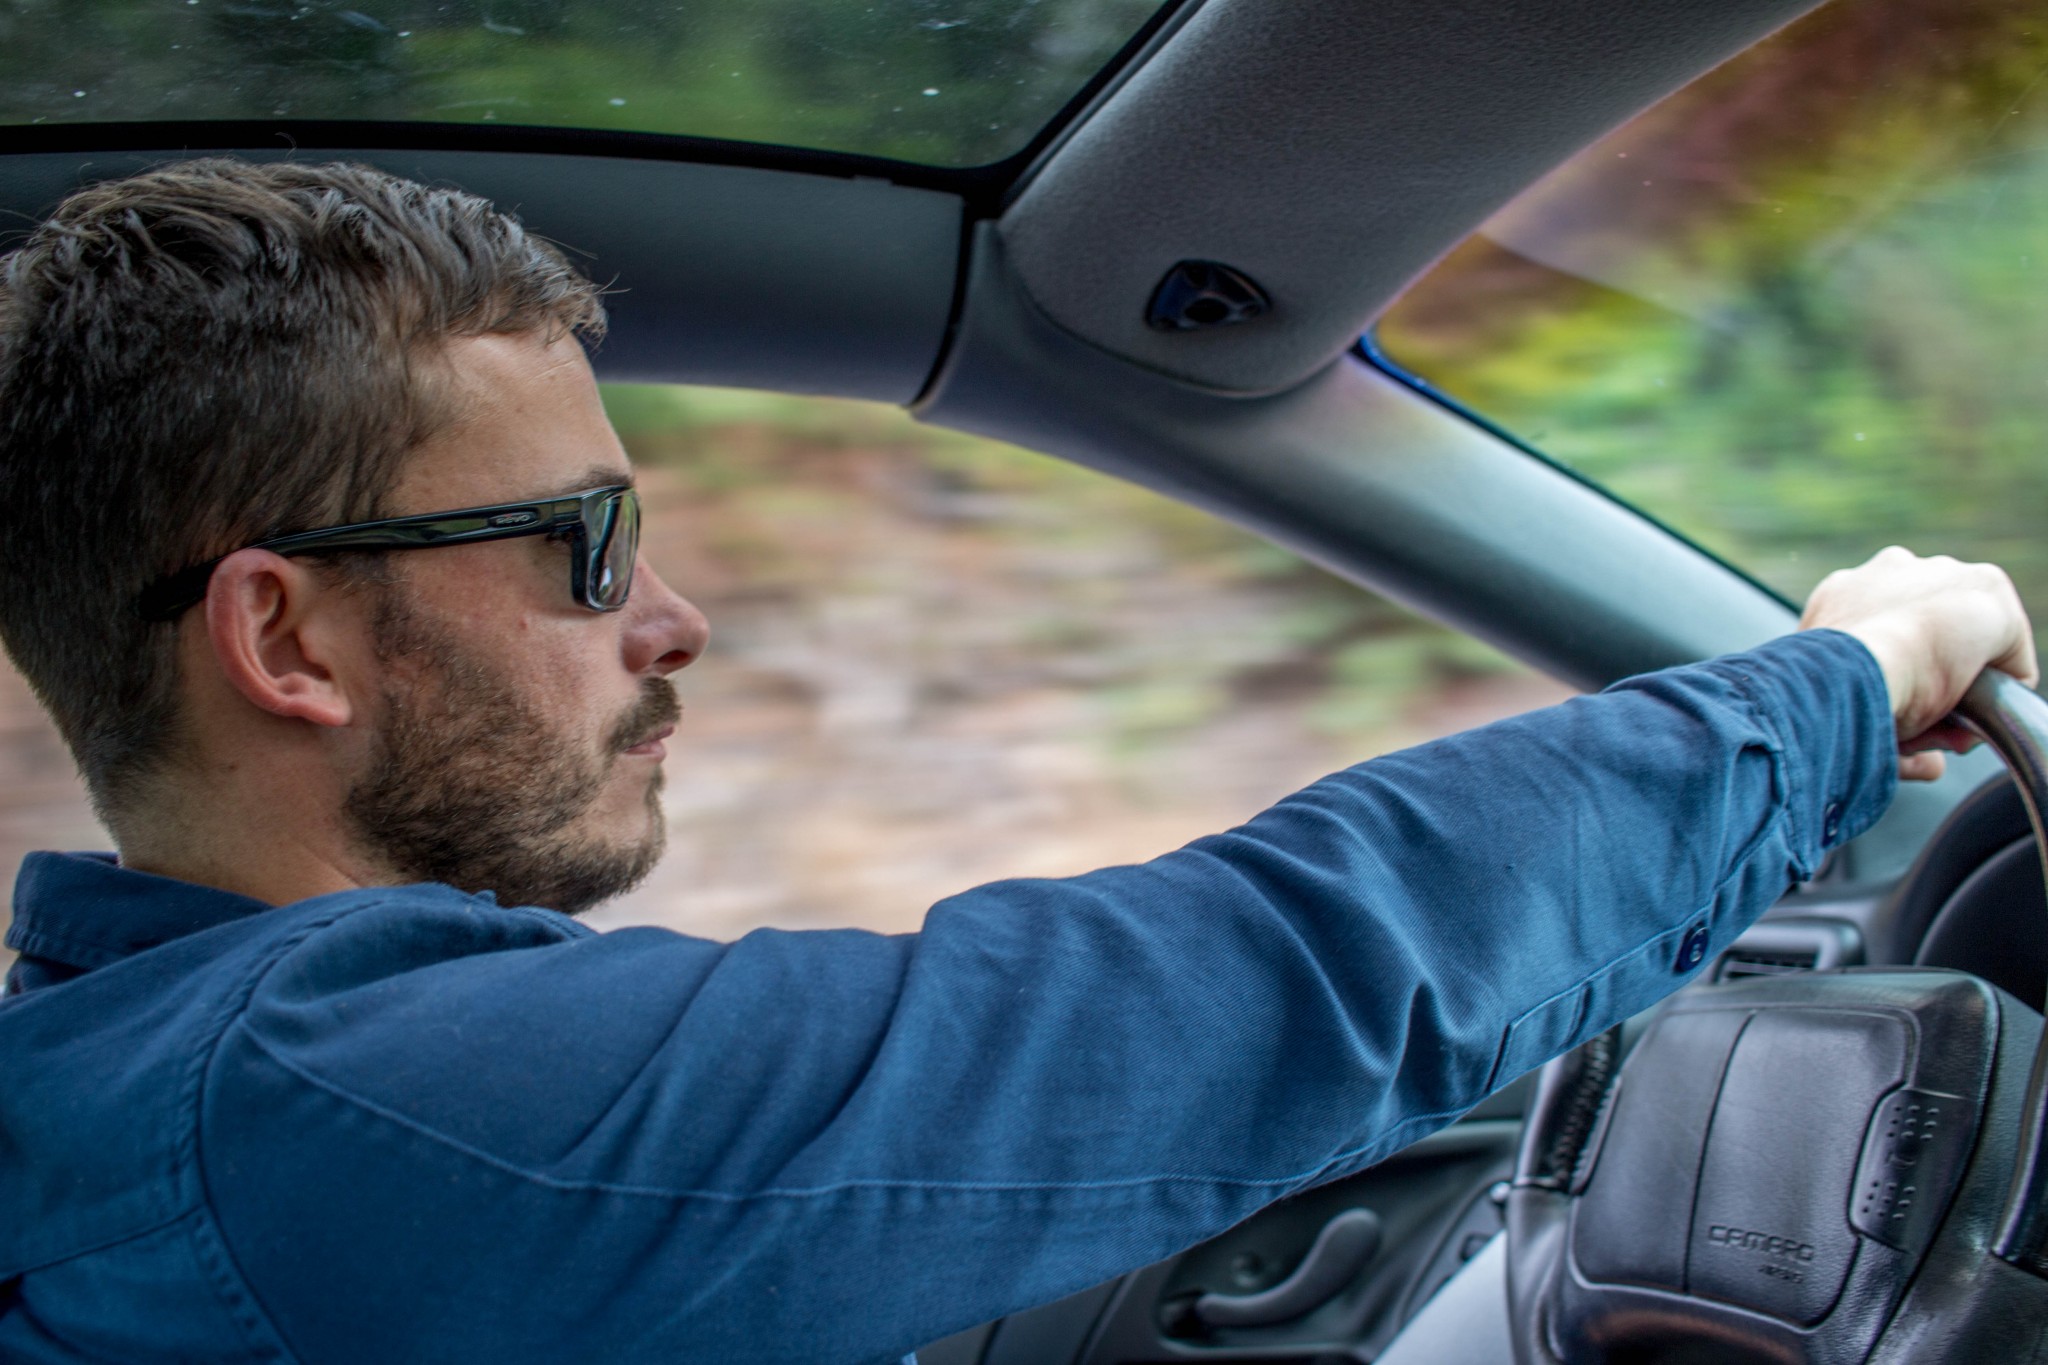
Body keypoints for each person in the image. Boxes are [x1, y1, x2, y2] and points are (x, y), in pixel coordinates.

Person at [0, 159, 2032, 1365]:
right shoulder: (324, 1111)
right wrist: (1841, 679)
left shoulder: (156, 1092)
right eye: (586, 545)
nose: (673, 614)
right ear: (285, 637)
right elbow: (1213, 992)